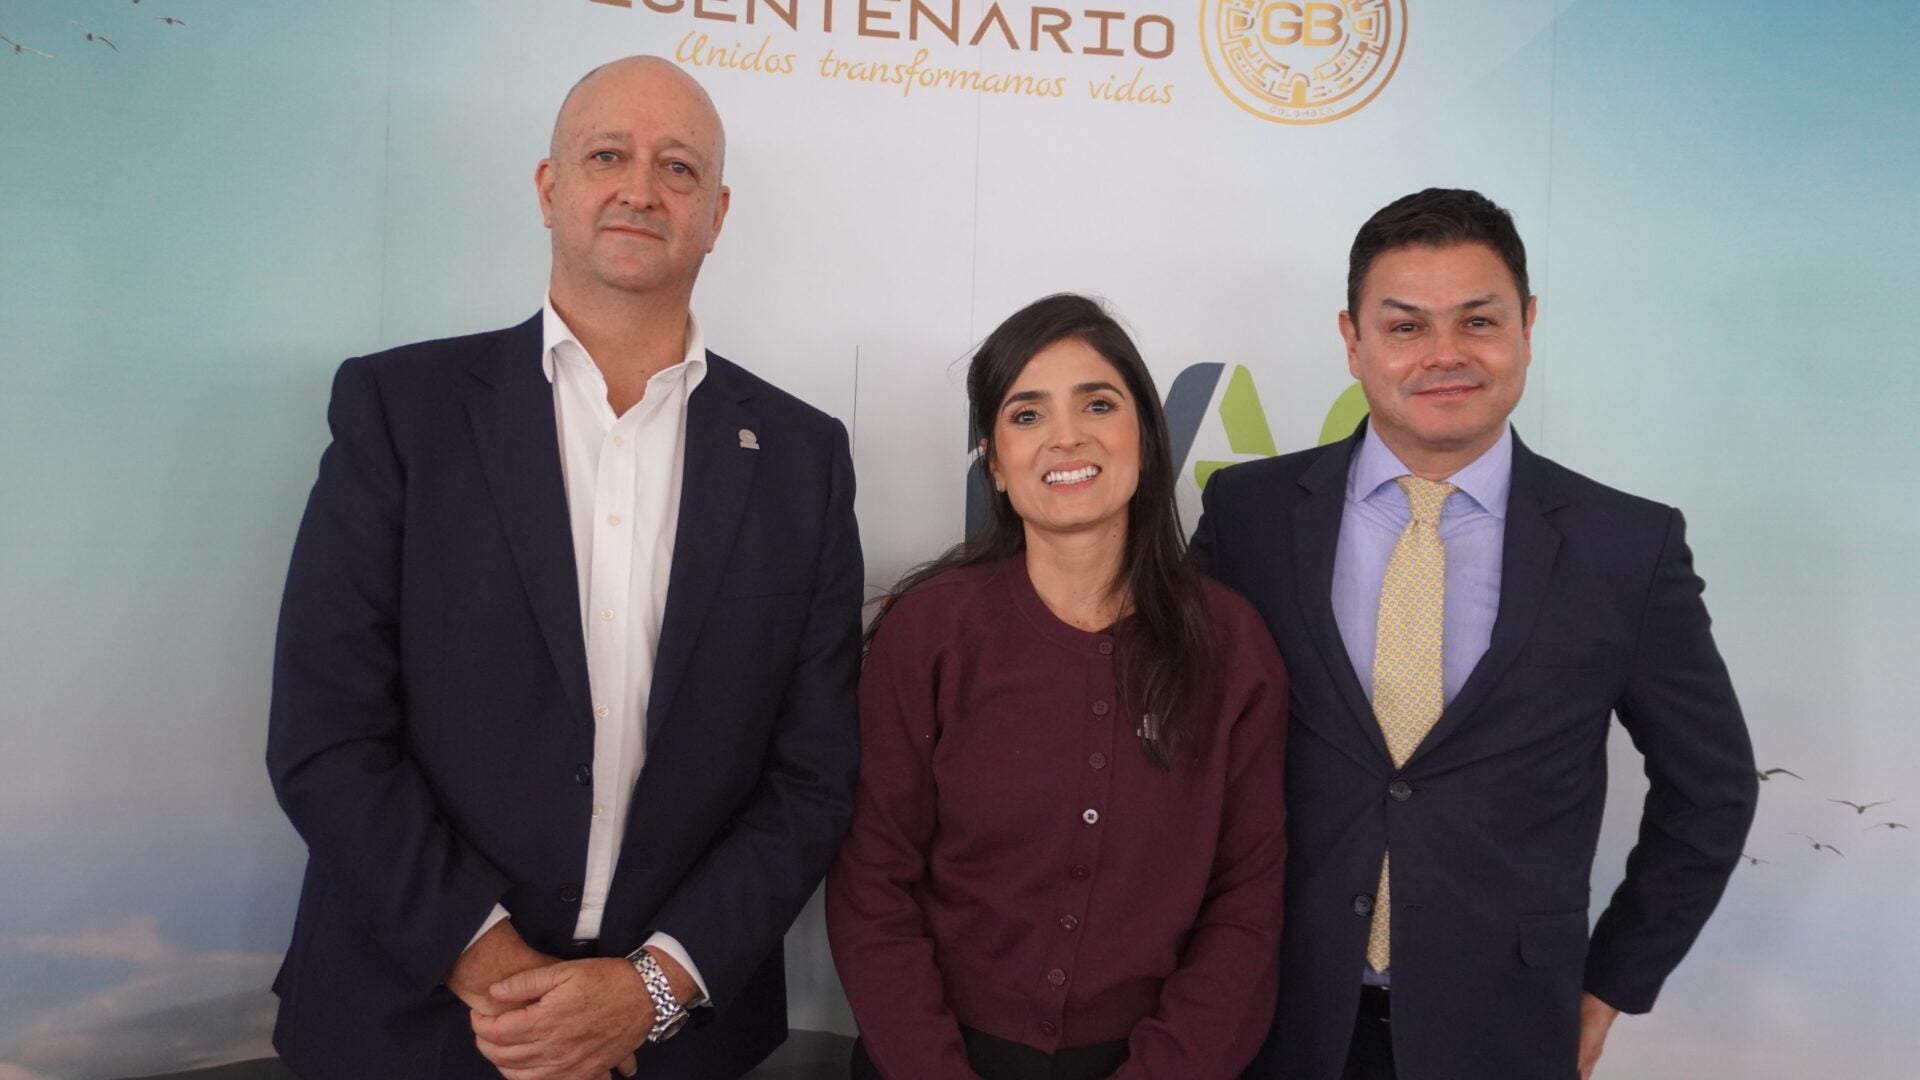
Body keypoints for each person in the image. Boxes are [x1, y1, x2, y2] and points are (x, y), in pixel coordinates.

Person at [265, 56, 863, 1079]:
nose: (640, 187)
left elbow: (812, 779)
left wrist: (650, 991)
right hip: (407, 1025)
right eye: (606, 155)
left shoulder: (803, 460)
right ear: (550, 188)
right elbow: (326, 732)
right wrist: (496, 970)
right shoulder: (400, 413)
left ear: (716, 213)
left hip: (670, 1047)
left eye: (677, 168)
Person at [1191, 188, 1757, 1080]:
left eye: (1478, 320)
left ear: (1527, 325)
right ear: (1354, 340)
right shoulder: (1249, 516)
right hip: (1263, 1018)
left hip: (1504, 1030)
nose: (1444, 354)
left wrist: (1610, 985)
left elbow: (1712, 790)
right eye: (1406, 325)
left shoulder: (1627, 547)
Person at [826, 294, 1289, 1080]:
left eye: (1097, 403)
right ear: (996, 464)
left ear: (1144, 436)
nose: (1065, 436)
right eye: (1027, 414)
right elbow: (872, 883)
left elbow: (1245, 909)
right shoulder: (930, 632)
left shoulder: (1234, 647)